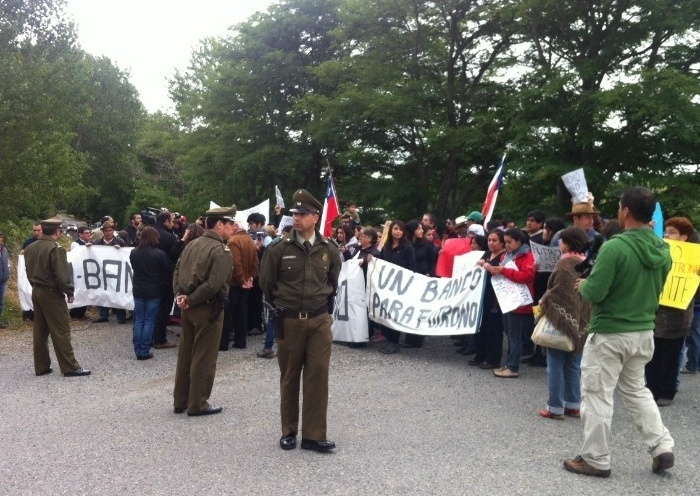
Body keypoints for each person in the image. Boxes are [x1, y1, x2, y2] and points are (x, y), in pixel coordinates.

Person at [564, 186, 674, 478]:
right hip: (643, 331)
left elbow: (596, 291)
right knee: (637, 391)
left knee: (597, 393)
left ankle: (595, 458)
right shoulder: (664, 249)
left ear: (625, 211)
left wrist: (583, 286)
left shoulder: (615, 247)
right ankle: (662, 446)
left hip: (610, 332)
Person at [259, 189, 340, 452]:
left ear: (315, 217)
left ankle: (314, 436)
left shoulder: (329, 249)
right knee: (290, 375)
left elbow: (333, 282)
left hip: (319, 320)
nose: (297, 218)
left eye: (303, 214)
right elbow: (266, 284)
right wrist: (282, 307)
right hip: (290, 320)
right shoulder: (279, 248)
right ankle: (289, 431)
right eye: (295, 214)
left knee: (318, 375)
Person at [172, 205, 236, 416]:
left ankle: (180, 400)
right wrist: (189, 300)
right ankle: (198, 403)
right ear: (220, 224)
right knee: (204, 357)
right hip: (207, 308)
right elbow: (214, 284)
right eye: (230, 224)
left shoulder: (192, 244)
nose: (233, 227)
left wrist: (180, 297)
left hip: (188, 307)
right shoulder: (221, 250)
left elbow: (177, 271)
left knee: (186, 354)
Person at [24, 217, 90, 377]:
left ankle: (41, 366)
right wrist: (69, 291)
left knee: (40, 330)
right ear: (56, 231)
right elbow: (62, 274)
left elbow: (28, 270)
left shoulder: (31, 247)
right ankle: (69, 367)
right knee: (61, 330)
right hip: (51, 293)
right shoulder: (56, 249)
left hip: (37, 290)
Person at [537, 227, 590, 420]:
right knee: (574, 363)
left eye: (561, 240)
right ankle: (574, 404)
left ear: (567, 243)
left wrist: (544, 300)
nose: (559, 243)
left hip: (560, 320)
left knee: (555, 364)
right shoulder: (587, 262)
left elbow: (557, 290)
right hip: (582, 316)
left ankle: (555, 407)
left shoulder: (564, 263)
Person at [645, 217, 697, 406]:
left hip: (678, 315)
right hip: (656, 312)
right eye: (666, 231)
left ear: (684, 237)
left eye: (672, 232)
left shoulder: (694, 259)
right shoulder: (659, 251)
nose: (667, 235)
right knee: (652, 353)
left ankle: (666, 391)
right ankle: (651, 388)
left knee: (671, 354)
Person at [484, 228, 535, 378]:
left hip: (518, 301)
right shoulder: (507, 254)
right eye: (505, 242)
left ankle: (513, 367)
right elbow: (500, 271)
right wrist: (492, 268)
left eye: (509, 242)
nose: (506, 245)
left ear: (519, 241)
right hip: (506, 299)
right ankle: (508, 364)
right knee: (509, 333)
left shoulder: (527, 255)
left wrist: (504, 271)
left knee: (514, 335)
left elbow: (527, 275)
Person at [129, 227, 170, 360]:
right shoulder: (160, 254)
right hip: (154, 290)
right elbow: (166, 272)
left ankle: (138, 349)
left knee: (139, 319)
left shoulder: (134, 252)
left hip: (138, 289)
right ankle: (145, 350)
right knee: (150, 320)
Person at [377, 220, 417, 354]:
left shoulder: (408, 248)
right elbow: (380, 264)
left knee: (396, 314)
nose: (398, 231)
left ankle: (395, 341)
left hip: (400, 287)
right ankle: (388, 339)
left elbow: (412, 267)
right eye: (395, 229)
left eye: (400, 229)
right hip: (387, 286)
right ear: (391, 231)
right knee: (387, 313)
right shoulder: (386, 247)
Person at [220, 221, 259, 351]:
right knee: (242, 312)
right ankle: (240, 341)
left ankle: (223, 343)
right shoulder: (250, 240)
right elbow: (255, 262)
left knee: (228, 313)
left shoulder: (233, 241)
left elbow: (235, 264)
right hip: (246, 282)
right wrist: (250, 278)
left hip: (235, 283)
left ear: (236, 228)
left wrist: (242, 280)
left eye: (232, 226)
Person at [471, 229, 506, 369]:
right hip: (483, 295)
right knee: (482, 326)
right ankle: (480, 355)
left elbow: (496, 271)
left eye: (494, 240)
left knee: (494, 329)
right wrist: (481, 262)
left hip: (496, 297)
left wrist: (485, 265)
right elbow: (477, 264)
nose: (491, 243)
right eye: (489, 240)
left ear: (502, 242)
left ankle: (493, 359)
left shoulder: (504, 256)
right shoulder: (487, 253)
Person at [93, 221, 127, 324]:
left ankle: (121, 316)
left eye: (110, 230)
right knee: (103, 293)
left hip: (116, 272)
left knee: (118, 293)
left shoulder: (120, 242)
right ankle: (104, 315)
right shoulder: (98, 242)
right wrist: (89, 248)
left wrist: (121, 249)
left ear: (113, 231)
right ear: (103, 232)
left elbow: (126, 255)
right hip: (102, 272)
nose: (109, 233)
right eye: (106, 231)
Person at [0, 232, 10, 328]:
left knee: (1, 302)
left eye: (1, 237)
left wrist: (7, 274)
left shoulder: (5, 250)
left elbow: (7, 263)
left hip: (3, 279)